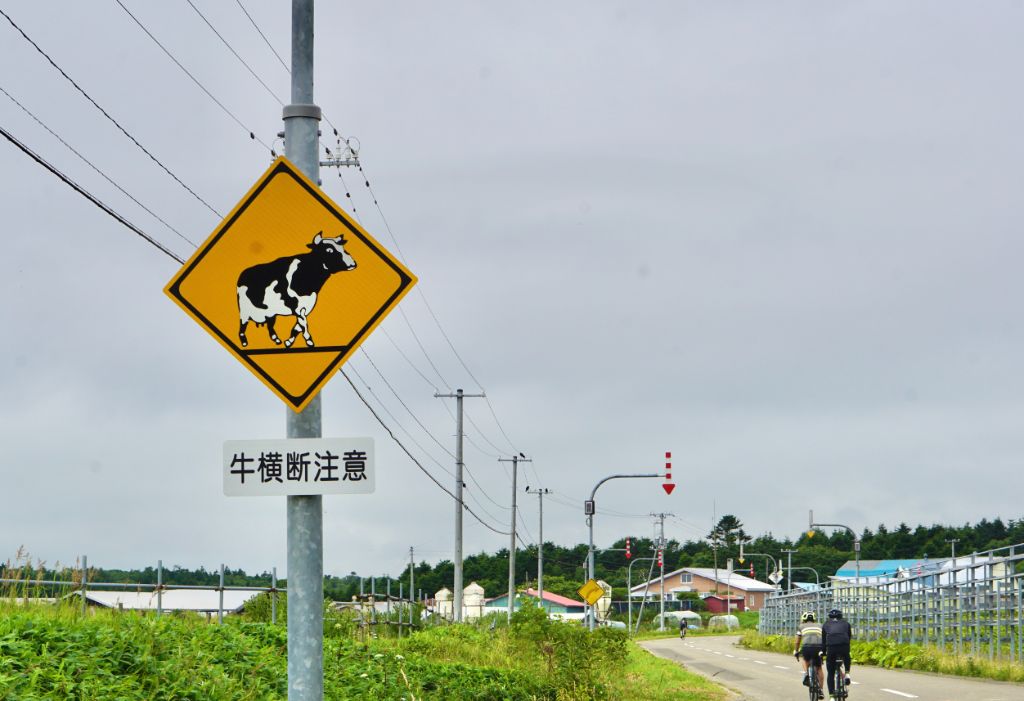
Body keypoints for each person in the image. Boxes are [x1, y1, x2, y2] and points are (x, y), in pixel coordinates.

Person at [822, 608, 853, 699]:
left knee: (830, 673)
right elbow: (849, 636)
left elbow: (823, 641)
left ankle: (831, 696)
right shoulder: (846, 623)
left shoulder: (826, 624)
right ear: (841, 616)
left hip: (831, 648)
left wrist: (823, 652)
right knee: (847, 655)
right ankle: (847, 673)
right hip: (844, 646)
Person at [793, 611, 824, 699]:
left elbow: (797, 640)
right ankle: (821, 690)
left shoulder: (801, 626)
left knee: (805, 659)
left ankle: (807, 673)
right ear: (814, 619)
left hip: (807, 647)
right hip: (819, 647)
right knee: (819, 668)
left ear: (804, 619)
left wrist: (796, 650)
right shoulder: (820, 625)